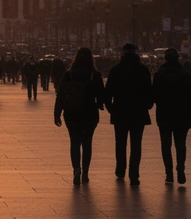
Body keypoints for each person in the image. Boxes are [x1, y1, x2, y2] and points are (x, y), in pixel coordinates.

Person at [54, 47, 104, 185]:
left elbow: (60, 95)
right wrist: (101, 104)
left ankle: (76, 169)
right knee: (87, 143)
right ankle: (86, 173)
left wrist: (57, 113)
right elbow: (101, 94)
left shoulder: (68, 75)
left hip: (71, 113)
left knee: (74, 142)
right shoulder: (94, 75)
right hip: (89, 113)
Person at [106, 43, 153, 185]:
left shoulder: (116, 70)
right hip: (138, 112)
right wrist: (147, 105)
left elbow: (108, 92)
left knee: (120, 143)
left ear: (123, 53)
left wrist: (110, 108)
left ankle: (120, 169)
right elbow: (149, 91)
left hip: (120, 111)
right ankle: (134, 173)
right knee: (136, 144)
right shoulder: (143, 70)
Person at [153, 48, 191, 185]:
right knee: (180, 144)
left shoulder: (159, 75)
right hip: (182, 114)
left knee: (166, 145)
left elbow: (154, 95)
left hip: (164, 114)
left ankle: (169, 173)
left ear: (165, 59)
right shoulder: (186, 75)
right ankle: (180, 168)